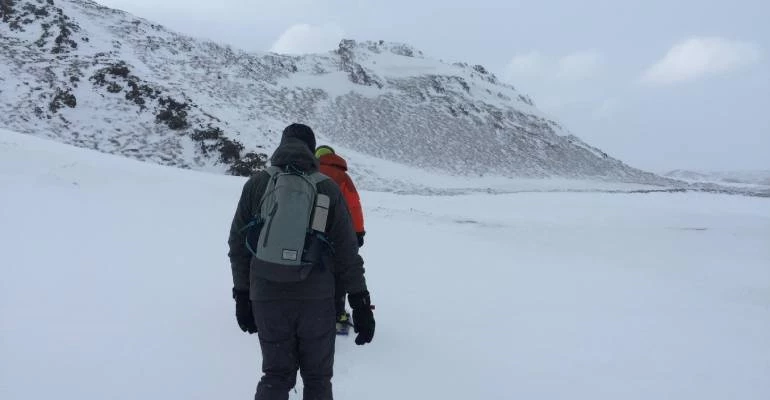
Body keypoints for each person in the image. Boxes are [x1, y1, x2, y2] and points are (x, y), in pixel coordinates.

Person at [228, 123, 375, 400]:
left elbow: (238, 245)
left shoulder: (257, 184)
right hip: (316, 299)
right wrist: (360, 302)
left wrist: (242, 294)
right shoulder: (327, 188)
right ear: (311, 150)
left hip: (267, 295)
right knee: (318, 378)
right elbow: (347, 252)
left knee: (276, 375)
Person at [314, 145, 366, 332]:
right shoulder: (343, 177)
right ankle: (338, 314)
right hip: (339, 234)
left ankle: (313, 310)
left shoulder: (310, 172)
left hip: (314, 234)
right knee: (340, 274)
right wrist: (358, 232)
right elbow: (354, 206)